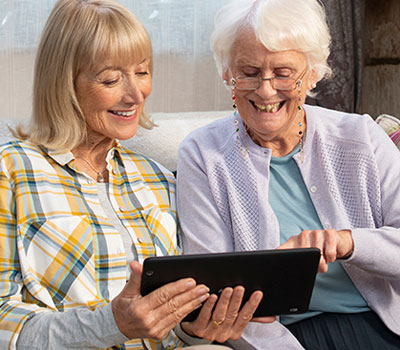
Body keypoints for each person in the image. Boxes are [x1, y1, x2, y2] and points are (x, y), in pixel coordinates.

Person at [0, 0, 272, 349]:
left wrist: (199, 325)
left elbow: (178, 322)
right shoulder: (12, 170)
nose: (135, 95)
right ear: (64, 82)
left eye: (142, 72)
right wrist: (110, 324)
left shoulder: (161, 181)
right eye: (111, 79)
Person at [176, 0, 400, 349]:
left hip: (380, 322)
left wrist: (346, 242)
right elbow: (215, 284)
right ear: (226, 75)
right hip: (281, 336)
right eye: (249, 72)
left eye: (283, 73)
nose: (266, 90)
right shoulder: (203, 155)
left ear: (312, 74)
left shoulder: (362, 138)